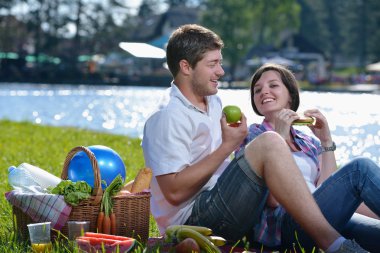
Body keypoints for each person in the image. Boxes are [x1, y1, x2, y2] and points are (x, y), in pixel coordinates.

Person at [141, 24, 368, 252]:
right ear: (186, 67)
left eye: (219, 63)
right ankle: (334, 246)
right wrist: (229, 145)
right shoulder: (167, 116)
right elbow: (173, 192)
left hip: (226, 203)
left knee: (362, 182)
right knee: (270, 142)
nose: (221, 71)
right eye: (213, 64)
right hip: (194, 220)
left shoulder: (213, 103)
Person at [240, 62, 380, 251]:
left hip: (325, 218)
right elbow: (272, 199)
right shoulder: (253, 136)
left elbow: (325, 187)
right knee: (359, 169)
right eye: (257, 90)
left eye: (273, 85)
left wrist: (326, 141)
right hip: (289, 225)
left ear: (290, 94)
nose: (264, 91)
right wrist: (279, 137)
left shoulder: (308, 142)